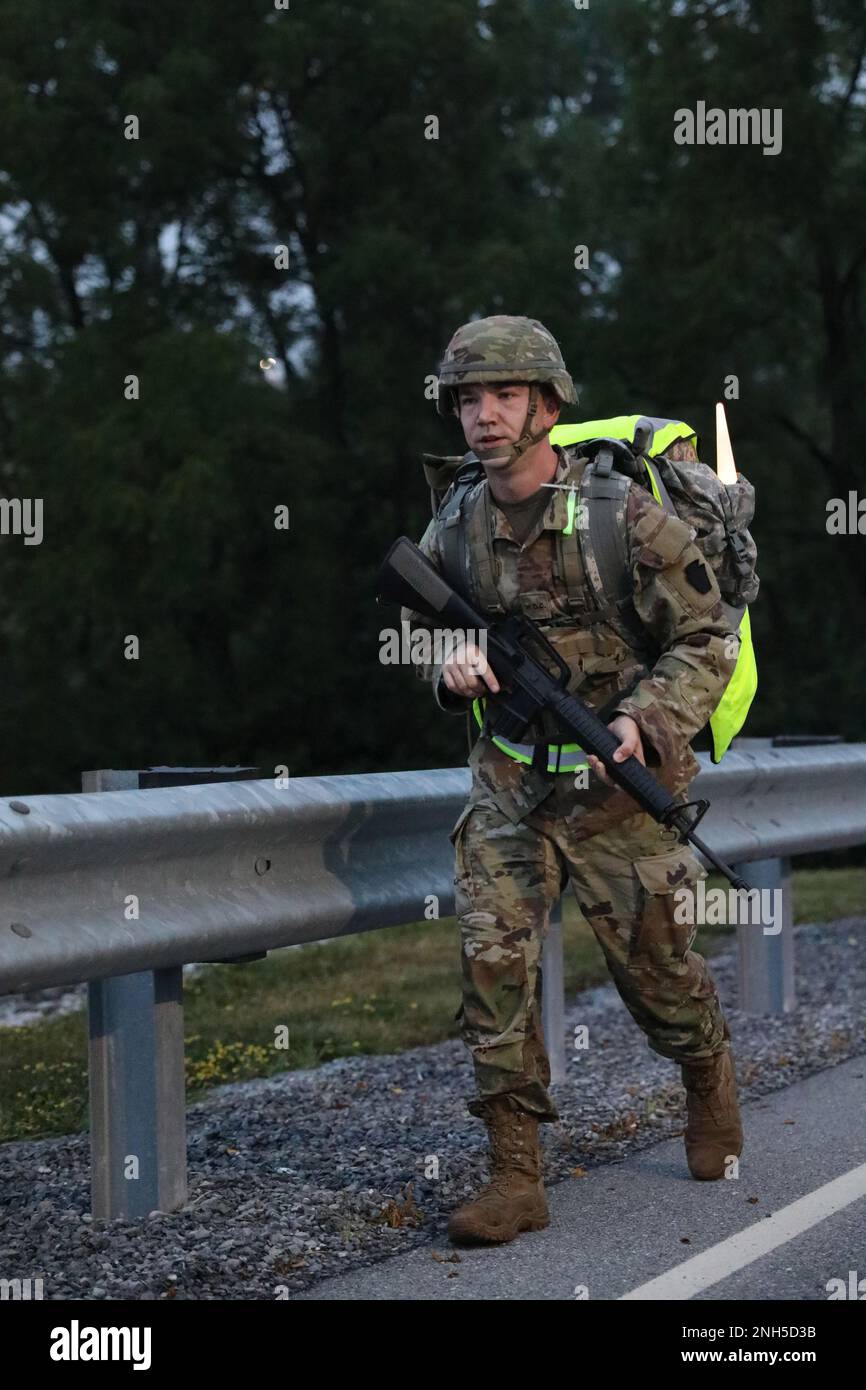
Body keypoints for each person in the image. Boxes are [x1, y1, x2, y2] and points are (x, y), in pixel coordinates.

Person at [400, 315, 744, 1246]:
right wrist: (450, 666)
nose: (483, 414)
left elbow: (706, 637)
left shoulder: (618, 516)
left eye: (505, 394)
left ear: (548, 405)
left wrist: (642, 718)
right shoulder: (457, 520)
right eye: (468, 398)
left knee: (659, 975)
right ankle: (515, 1176)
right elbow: (420, 628)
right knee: (492, 963)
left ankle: (707, 1075)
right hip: (511, 781)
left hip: (616, 787)